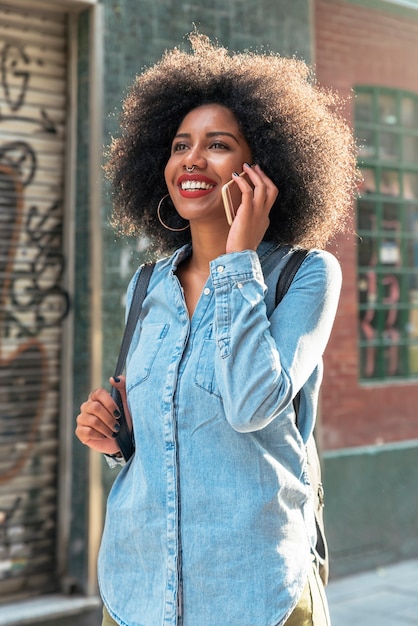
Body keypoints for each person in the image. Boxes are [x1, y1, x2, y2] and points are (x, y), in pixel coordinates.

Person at [76, 33, 358, 626]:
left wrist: (237, 262)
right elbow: (160, 438)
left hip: (255, 594)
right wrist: (115, 437)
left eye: (218, 145)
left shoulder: (305, 277)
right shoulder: (145, 286)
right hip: (137, 591)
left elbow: (251, 406)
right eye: (180, 146)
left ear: (266, 166)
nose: (191, 161)